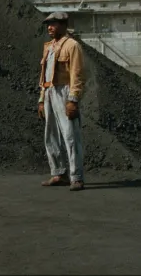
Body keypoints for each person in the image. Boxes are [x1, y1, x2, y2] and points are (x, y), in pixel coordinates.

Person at [37, 11, 85, 191]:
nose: (50, 27)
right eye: (48, 24)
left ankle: (76, 177)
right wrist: (42, 99)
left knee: (70, 136)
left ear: (64, 25)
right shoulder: (49, 47)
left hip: (64, 92)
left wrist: (73, 99)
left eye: (54, 24)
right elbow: (44, 76)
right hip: (50, 92)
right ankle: (59, 173)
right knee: (51, 136)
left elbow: (77, 74)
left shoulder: (72, 46)